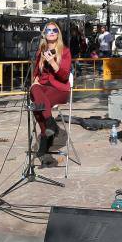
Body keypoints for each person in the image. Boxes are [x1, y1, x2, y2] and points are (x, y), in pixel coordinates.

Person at [30, 21, 72, 162]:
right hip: (42, 88)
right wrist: (35, 80)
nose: (52, 32)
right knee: (35, 91)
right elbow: (36, 73)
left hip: (59, 89)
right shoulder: (40, 51)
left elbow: (65, 76)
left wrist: (53, 62)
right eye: (49, 30)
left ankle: (45, 141)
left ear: (58, 34)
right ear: (44, 34)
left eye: (55, 30)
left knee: (38, 106)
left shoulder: (64, 51)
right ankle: (50, 125)